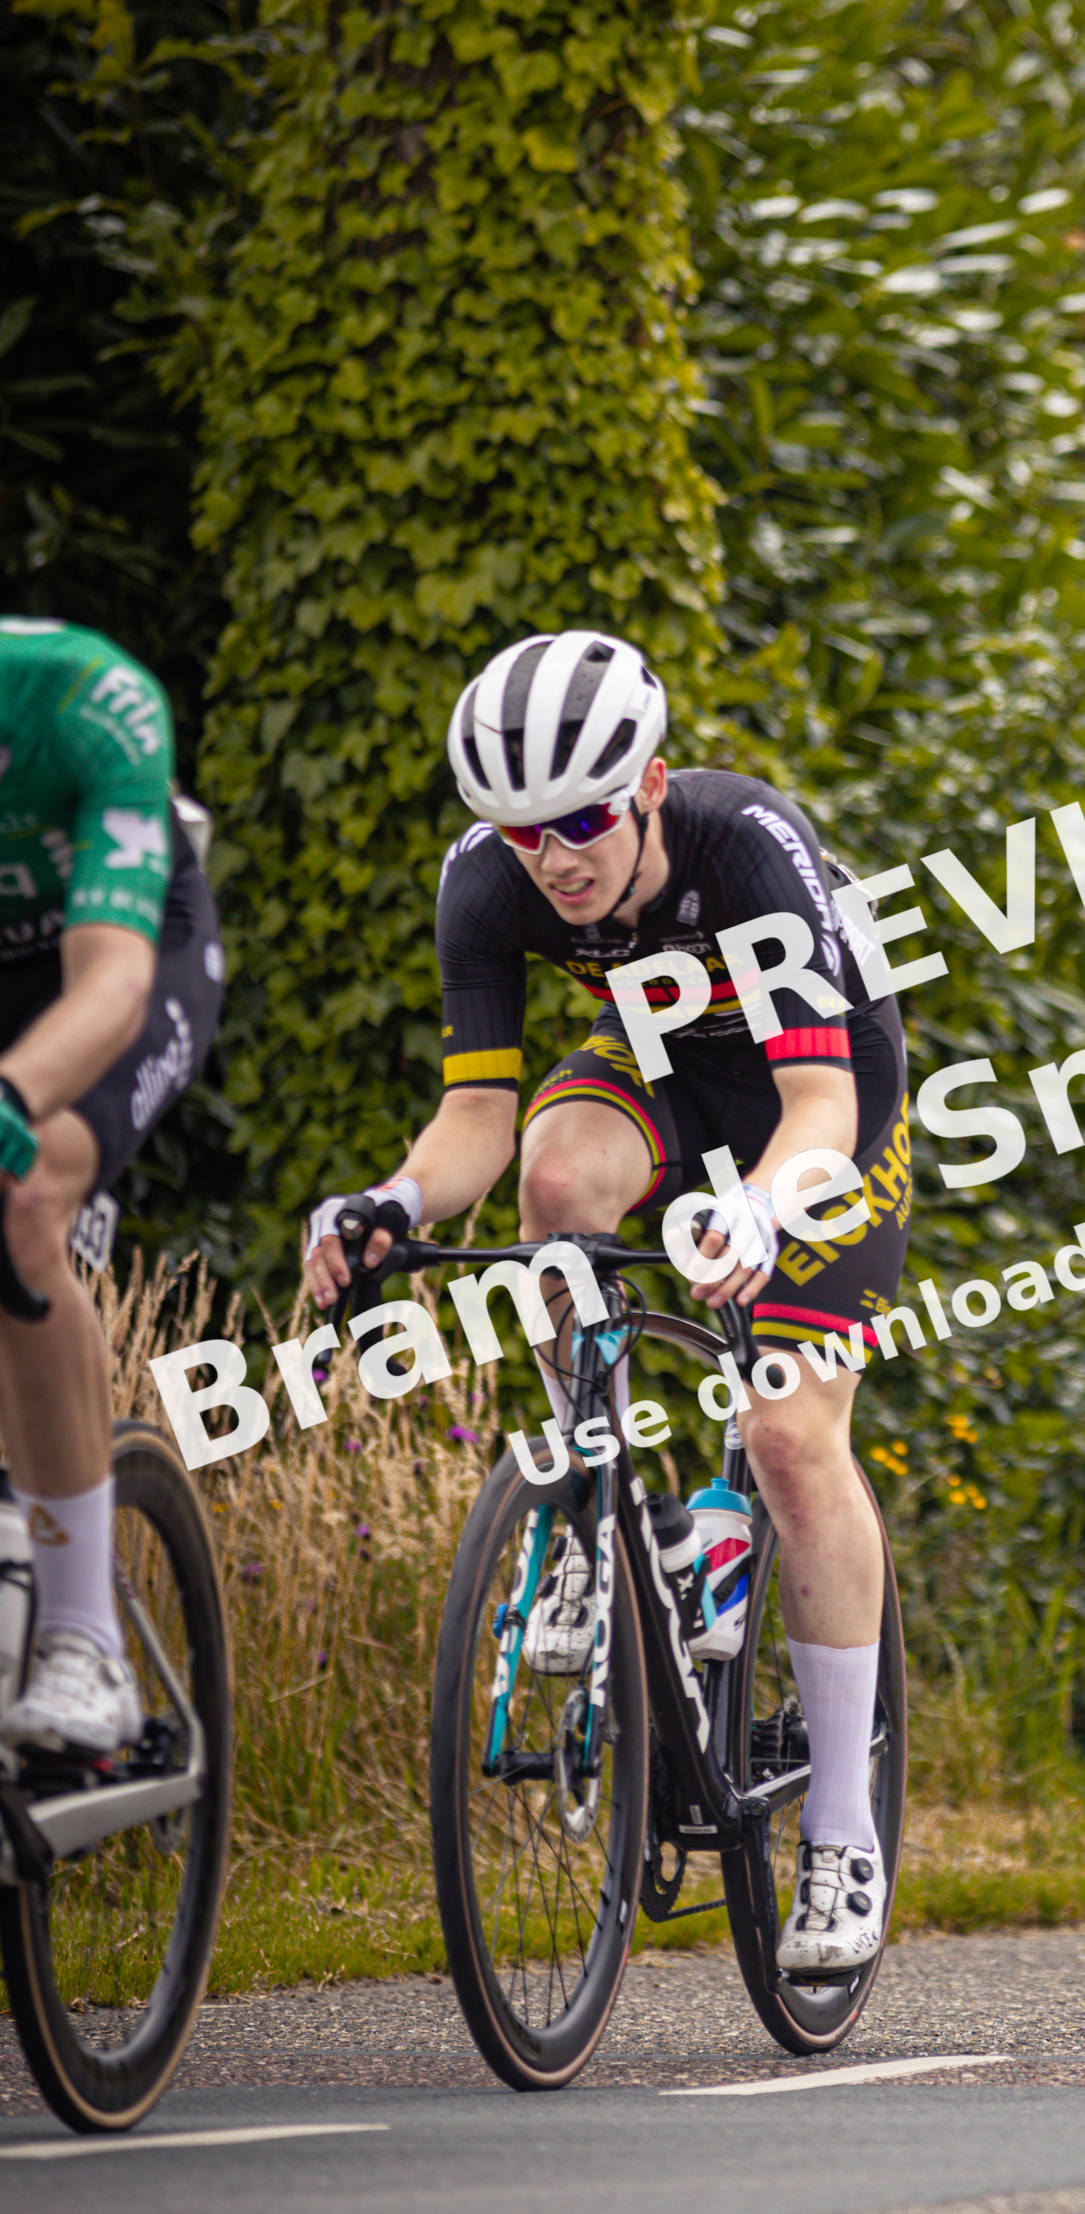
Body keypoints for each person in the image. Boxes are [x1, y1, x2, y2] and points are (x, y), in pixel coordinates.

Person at [303, 632, 912, 1975]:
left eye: (581, 818)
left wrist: (757, 1206)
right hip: (658, 1072)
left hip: (819, 1099)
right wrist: (393, 1202)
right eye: (524, 832)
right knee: (556, 1175)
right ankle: (595, 1498)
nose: (555, 856)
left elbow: (819, 1104)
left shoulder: (745, 843)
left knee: (788, 1438)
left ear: (645, 785)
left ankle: (845, 1831)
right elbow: (474, 1120)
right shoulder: (491, 880)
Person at [0, 619, 225, 1755]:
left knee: (25, 1195)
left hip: (117, 958)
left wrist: (10, 1096)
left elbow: (111, 987)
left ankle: (84, 1639)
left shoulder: (83, 698)